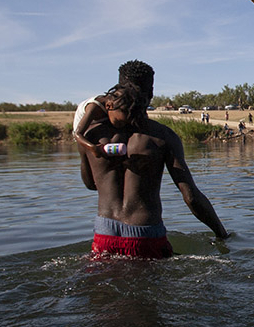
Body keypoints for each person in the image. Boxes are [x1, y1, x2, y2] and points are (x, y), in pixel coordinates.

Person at [79, 74, 228, 259]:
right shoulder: (161, 136)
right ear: (150, 94)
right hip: (146, 235)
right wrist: (222, 233)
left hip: (104, 234)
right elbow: (191, 197)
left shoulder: (90, 136)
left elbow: (90, 184)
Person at [73, 59, 155, 158]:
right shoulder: (94, 108)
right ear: (109, 107)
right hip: (84, 131)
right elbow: (77, 134)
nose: (121, 126)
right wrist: (93, 148)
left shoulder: (125, 104)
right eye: (120, 122)